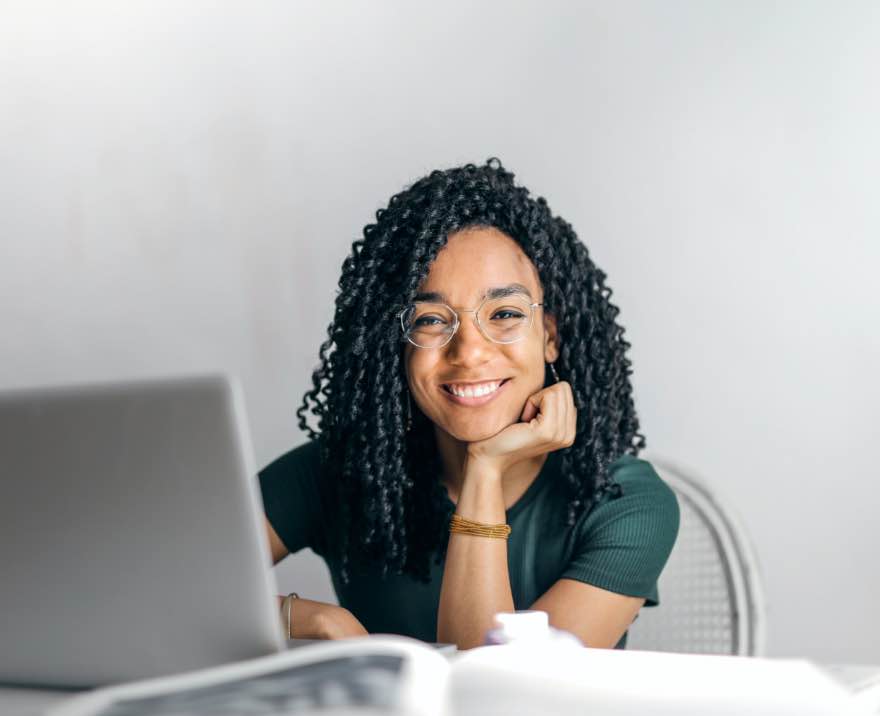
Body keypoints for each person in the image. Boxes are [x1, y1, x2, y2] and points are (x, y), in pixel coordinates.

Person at [260, 159, 680, 649]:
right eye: (431, 320)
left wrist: (485, 467)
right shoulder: (339, 471)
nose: (470, 351)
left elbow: (497, 696)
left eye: (504, 313)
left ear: (551, 335)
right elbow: (161, 589)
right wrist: (313, 620)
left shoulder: (625, 503)